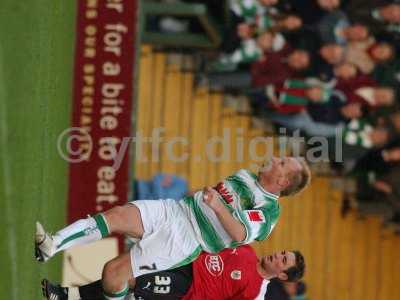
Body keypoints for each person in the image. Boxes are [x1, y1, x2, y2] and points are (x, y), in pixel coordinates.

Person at [35, 157, 311, 300]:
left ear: (284, 181)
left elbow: (239, 233)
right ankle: (51, 245)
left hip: (185, 240)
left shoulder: (269, 210)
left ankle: (71, 294)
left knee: (114, 274)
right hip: (177, 209)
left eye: (282, 163)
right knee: (117, 215)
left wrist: (217, 206)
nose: (276, 159)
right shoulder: (245, 176)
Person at [41, 245, 305, 300]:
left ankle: (66, 295)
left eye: (283, 260)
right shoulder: (246, 249)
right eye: (282, 252)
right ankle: (67, 294)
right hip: (181, 261)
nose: (277, 255)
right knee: (124, 272)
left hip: (186, 288)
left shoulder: (256, 293)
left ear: (282, 275)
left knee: (131, 281)